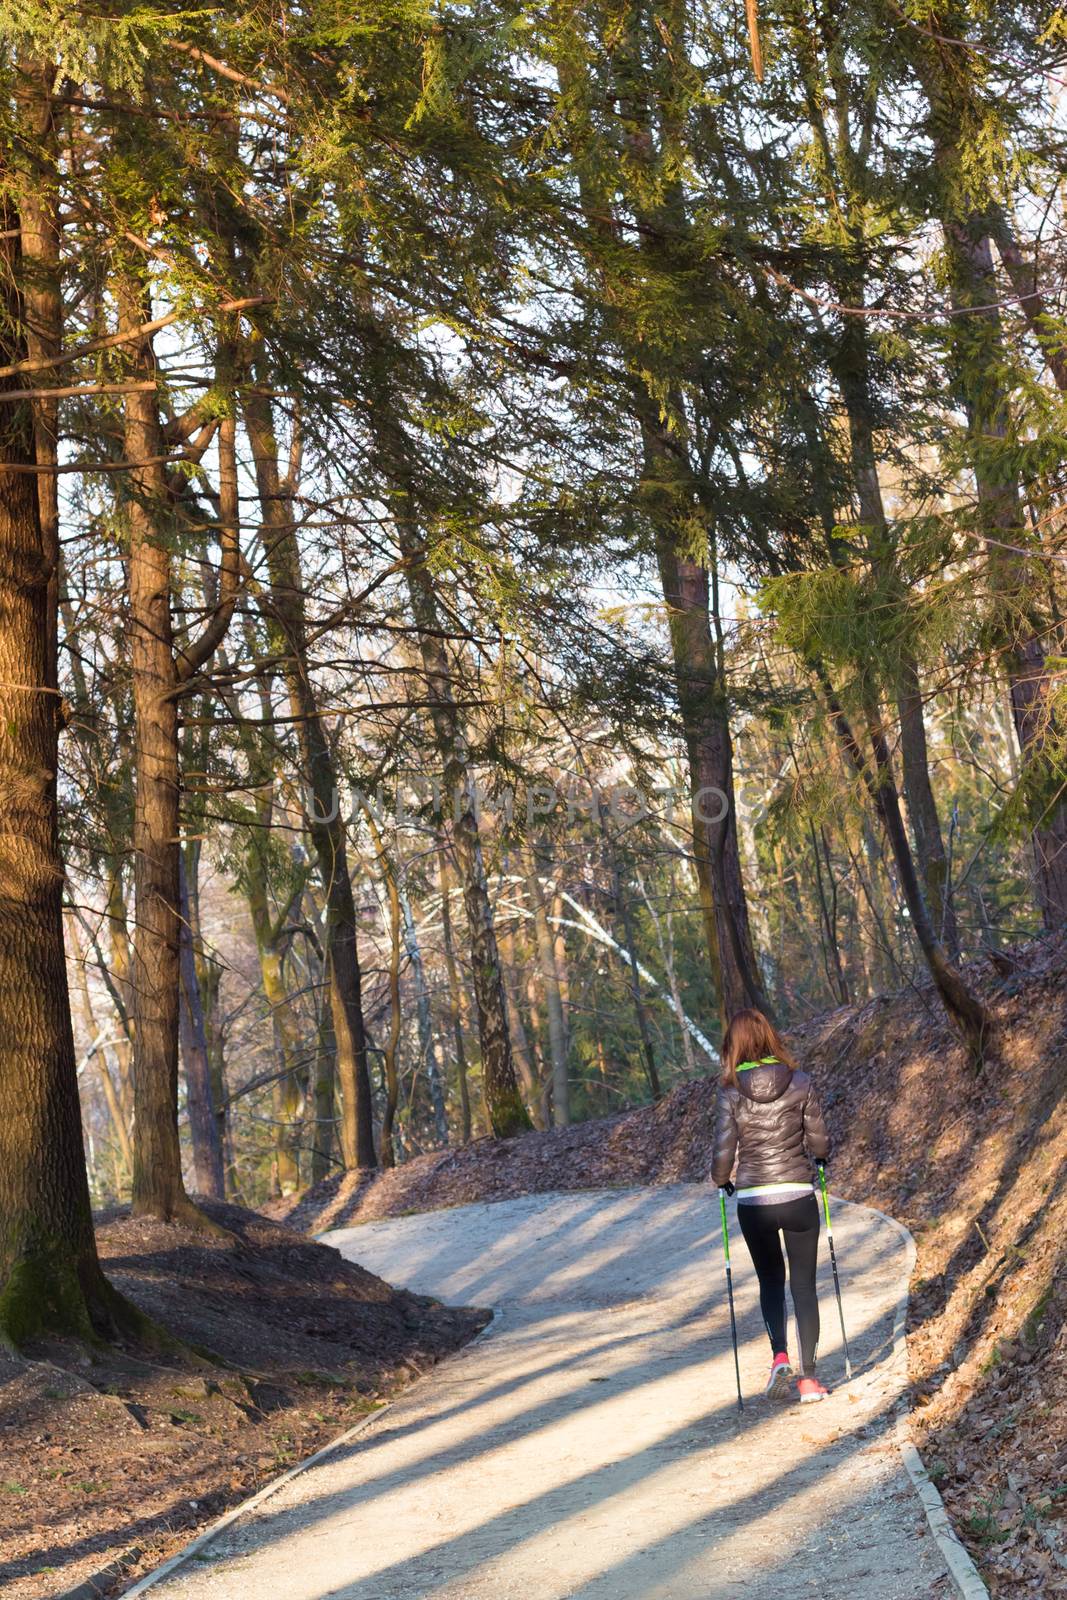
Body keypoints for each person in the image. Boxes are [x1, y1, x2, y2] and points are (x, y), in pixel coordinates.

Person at [711, 1007, 831, 1403]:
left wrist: (721, 1180)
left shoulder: (730, 1092)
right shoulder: (800, 1082)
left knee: (770, 1282)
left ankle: (780, 1359)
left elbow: (724, 1153)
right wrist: (819, 1158)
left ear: (735, 1045)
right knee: (804, 1286)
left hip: (754, 1202)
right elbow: (820, 1143)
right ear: (769, 1038)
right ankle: (810, 1380)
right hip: (798, 1196)